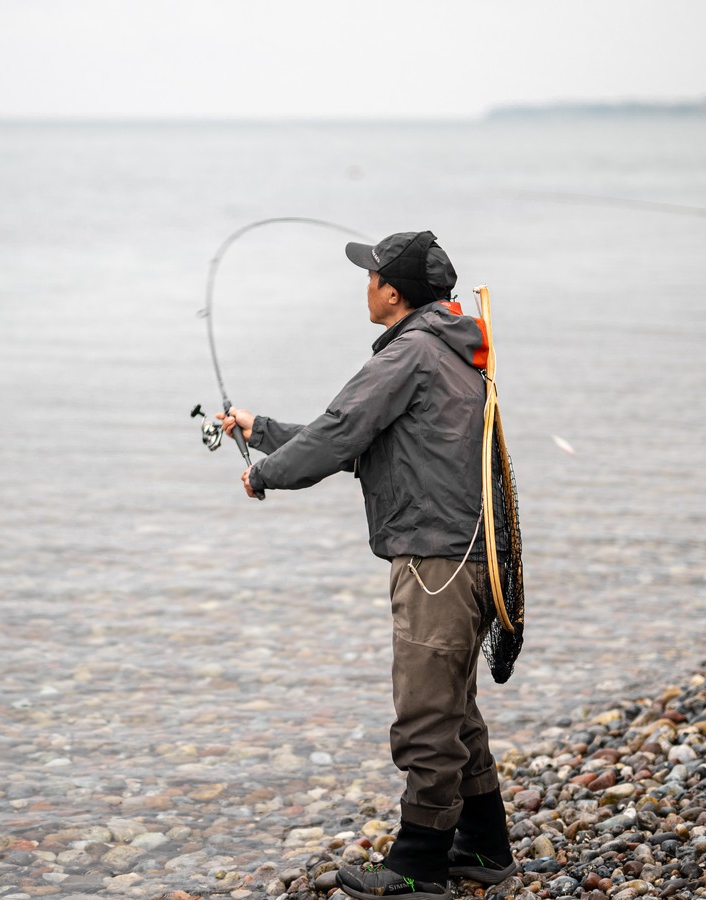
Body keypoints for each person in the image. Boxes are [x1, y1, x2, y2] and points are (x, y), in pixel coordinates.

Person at [220, 231, 517, 899]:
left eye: (372, 276)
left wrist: (265, 475)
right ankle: (485, 847)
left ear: (393, 291)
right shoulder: (448, 350)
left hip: (435, 562)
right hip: (466, 557)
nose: (365, 286)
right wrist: (260, 428)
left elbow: (340, 433)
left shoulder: (407, 354)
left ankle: (418, 864)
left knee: (424, 717)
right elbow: (364, 440)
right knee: (454, 711)